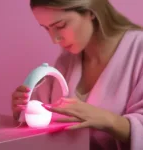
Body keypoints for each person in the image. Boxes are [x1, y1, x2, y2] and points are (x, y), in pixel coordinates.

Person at [11, 0, 143, 149]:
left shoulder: (139, 50)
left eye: (60, 26)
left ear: (90, 12)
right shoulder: (66, 60)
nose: (54, 39)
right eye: (46, 28)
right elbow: (40, 117)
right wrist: (23, 108)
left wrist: (108, 120)